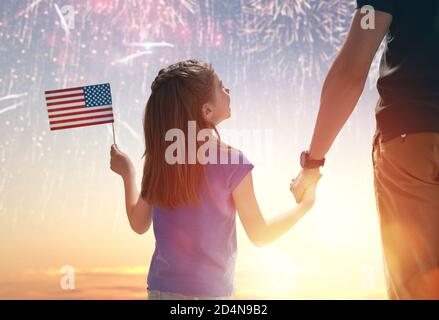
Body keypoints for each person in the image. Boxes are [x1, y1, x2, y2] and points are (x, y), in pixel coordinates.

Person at [110, 59, 320, 300]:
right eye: (221, 86)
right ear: (206, 111)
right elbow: (260, 235)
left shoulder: (160, 159)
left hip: (160, 291)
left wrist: (128, 173)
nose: (227, 90)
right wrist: (305, 206)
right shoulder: (234, 163)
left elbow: (139, 223)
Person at [291, 1, 439, 299]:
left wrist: (313, 163)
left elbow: (350, 71)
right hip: (411, 139)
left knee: (419, 287)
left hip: (412, 138)